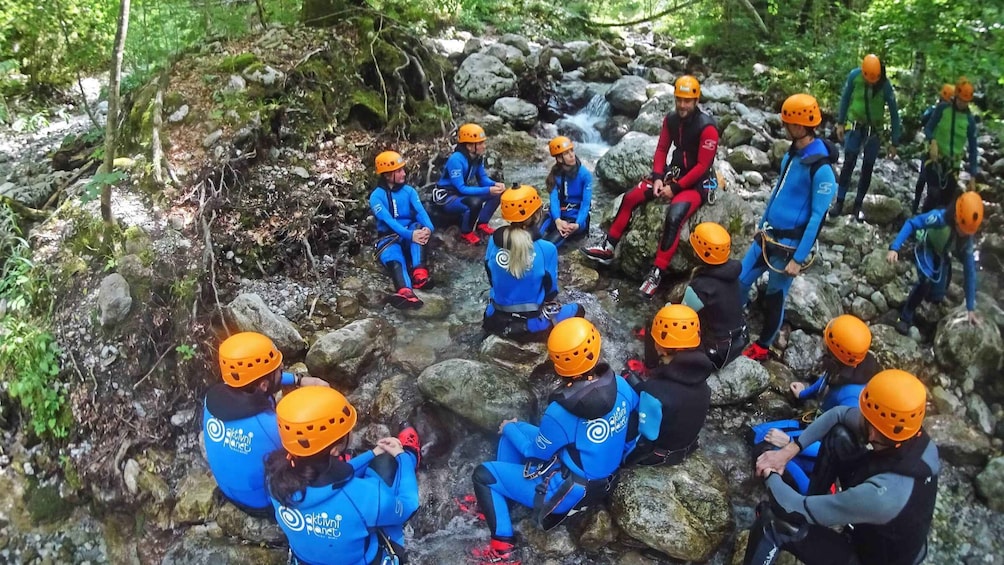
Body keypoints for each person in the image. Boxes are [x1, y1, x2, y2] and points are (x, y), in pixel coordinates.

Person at [471, 318, 639, 564]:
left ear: (557, 362)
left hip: (567, 492)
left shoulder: (560, 412)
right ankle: (506, 498)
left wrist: (507, 428)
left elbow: (534, 452)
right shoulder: (622, 386)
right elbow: (632, 426)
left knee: (483, 475)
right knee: (517, 431)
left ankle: (502, 546)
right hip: (604, 480)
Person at [743, 369, 939, 565]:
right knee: (839, 435)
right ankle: (816, 505)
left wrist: (769, 470)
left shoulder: (885, 496)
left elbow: (790, 507)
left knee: (773, 523)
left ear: (872, 433)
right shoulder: (919, 443)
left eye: (863, 414)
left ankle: (813, 512)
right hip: (883, 536)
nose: (858, 414)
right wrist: (789, 451)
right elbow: (838, 415)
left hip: (869, 557)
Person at [582, 75, 720, 297]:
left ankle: (657, 272)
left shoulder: (708, 128)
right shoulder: (671, 119)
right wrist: (657, 177)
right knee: (631, 197)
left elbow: (703, 166)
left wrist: (674, 189)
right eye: (679, 100)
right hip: (672, 174)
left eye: (687, 101)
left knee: (674, 216)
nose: (683, 105)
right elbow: (662, 149)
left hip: (697, 183)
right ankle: (608, 246)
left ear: (696, 101)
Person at [266, 387, 421, 565]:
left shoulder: (274, 477)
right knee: (386, 464)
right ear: (335, 450)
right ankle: (411, 453)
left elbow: (328, 479)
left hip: (305, 560)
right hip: (363, 558)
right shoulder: (365, 495)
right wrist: (402, 458)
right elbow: (409, 506)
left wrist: (373, 452)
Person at [740, 94, 836, 362]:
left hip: (788, 246)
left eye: (787, 122)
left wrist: (798, 258)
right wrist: (760, 226)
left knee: (775, 296)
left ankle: (764, 344)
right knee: (740, 279)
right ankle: (732, 325)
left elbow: (817, 217)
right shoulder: (793, 154)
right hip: (768, 235)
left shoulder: (822, 169)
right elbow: (776, 192)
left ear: (800, 126)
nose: (784, 126)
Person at [748, 315, 881, 494]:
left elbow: (841, 448)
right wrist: (803, 393)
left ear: (835, 351)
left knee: (764, 450)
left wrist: (789, 443)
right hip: (815, 427)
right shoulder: (847, 366)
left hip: (823, 446)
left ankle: (818, 490)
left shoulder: (852, 399)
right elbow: (827, 381)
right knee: (754, 435)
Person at [202, 332, 329, 516]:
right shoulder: (271, 426)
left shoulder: (212, 400)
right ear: (262, 385)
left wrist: (298, 380)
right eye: (279, 370)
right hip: (259, 503)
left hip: (227, 488)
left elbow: (264, 380)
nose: (282, 370)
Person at [483, 185, 585, 342]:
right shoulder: (547, 249)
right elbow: (551, 292)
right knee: (579, 310)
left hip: (494, 317)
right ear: (537, 214)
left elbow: (490, 277)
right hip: (530, 325)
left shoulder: (494, 241)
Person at [625, 304, 714, 466]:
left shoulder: (654, 392)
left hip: (660, 457)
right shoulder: (702, 379)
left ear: (659, 346)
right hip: (687, 447)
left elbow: (644, 442)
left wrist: (624, 464)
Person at [887, 191, 983, 335]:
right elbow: (912, 223)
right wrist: (895, 248)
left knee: (936, 296)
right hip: (927, 246)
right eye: (962, 230)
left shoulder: (967, 237)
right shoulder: (939, 218)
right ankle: (906, 316)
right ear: (956, 217)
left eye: (967, 233)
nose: (964, 235)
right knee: (926, 280)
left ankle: (931, 292)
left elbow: (970, 271)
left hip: (942, 253)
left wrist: (970, 308)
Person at [832, 54, 902, 221]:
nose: (871, 82)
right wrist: (840, 123)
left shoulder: (885, 85)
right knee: (848, 162)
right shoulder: (855, 76)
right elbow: (845, 98)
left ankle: (858, 205)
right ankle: (839, 202)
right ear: (863, 72)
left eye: (874, 79)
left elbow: (894, 114)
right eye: (868, 78)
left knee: (867, 167)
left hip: (874, 131)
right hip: (855, 125)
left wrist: (895, 141)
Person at [369, 151, 435, 310]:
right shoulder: (376, 197)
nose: (403, 174)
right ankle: (406, 292)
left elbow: (420, 212)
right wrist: (410, 235)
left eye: (402, 170)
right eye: (398, 171)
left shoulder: (409, 191)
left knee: (419, 228)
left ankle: (420, 274)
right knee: (396, 261)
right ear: (387, 175)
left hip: (410, 233)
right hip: (388, 238)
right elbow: (388, 220)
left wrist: (429, 228)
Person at [681, 222, 746, 369]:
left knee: (663, 325)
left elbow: (682, 316)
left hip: (718, 353)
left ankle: (650, 368)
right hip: (739, 339)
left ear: (698, 253)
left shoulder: (702, 286)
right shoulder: (732, 271)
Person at [433, 123, 506, 245]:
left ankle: (482, 224)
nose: (484, 146)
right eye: (481, 143)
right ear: (469, 146)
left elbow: (483, 179)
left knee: (498, 193)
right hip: (447, 197)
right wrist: (488, 190)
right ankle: (466, 232)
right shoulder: (456, 160)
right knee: (474, 203)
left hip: (460, 194)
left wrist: (495, 184)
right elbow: (461, 188)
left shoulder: (476, 158)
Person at [919, 77, 979, 212]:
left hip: (953, 166)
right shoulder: (942, 109)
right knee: (933, 193)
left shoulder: (969, 121)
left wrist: (973, 176)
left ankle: (937, 230)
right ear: (956, 96)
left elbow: (973, 149)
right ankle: (921, 227)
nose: (963, 104)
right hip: (935, 160)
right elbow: (928, 128)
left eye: (966, 101)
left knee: (945, 202)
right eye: (961, 100)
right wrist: (932, 141)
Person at [539, 136, 592, 247]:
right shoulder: (556, 174)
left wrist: (577, 224)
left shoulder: (585, 175)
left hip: (575, 218)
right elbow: (554, 200)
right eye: (566, 153)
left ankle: (541, 252)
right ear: (559, 159)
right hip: (558, 215)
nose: (572, 155)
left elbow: (585, 204)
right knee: (538, 228)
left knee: (550, 243)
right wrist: (557, 220)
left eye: (571, 150)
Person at [912, 84, 955, 214]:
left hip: (932, 154)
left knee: (925, 181)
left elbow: (923, 120)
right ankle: (920, 209)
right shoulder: (938, 111)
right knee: (929, 184)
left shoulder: (935, 110)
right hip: (931, 153)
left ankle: (917, 207)